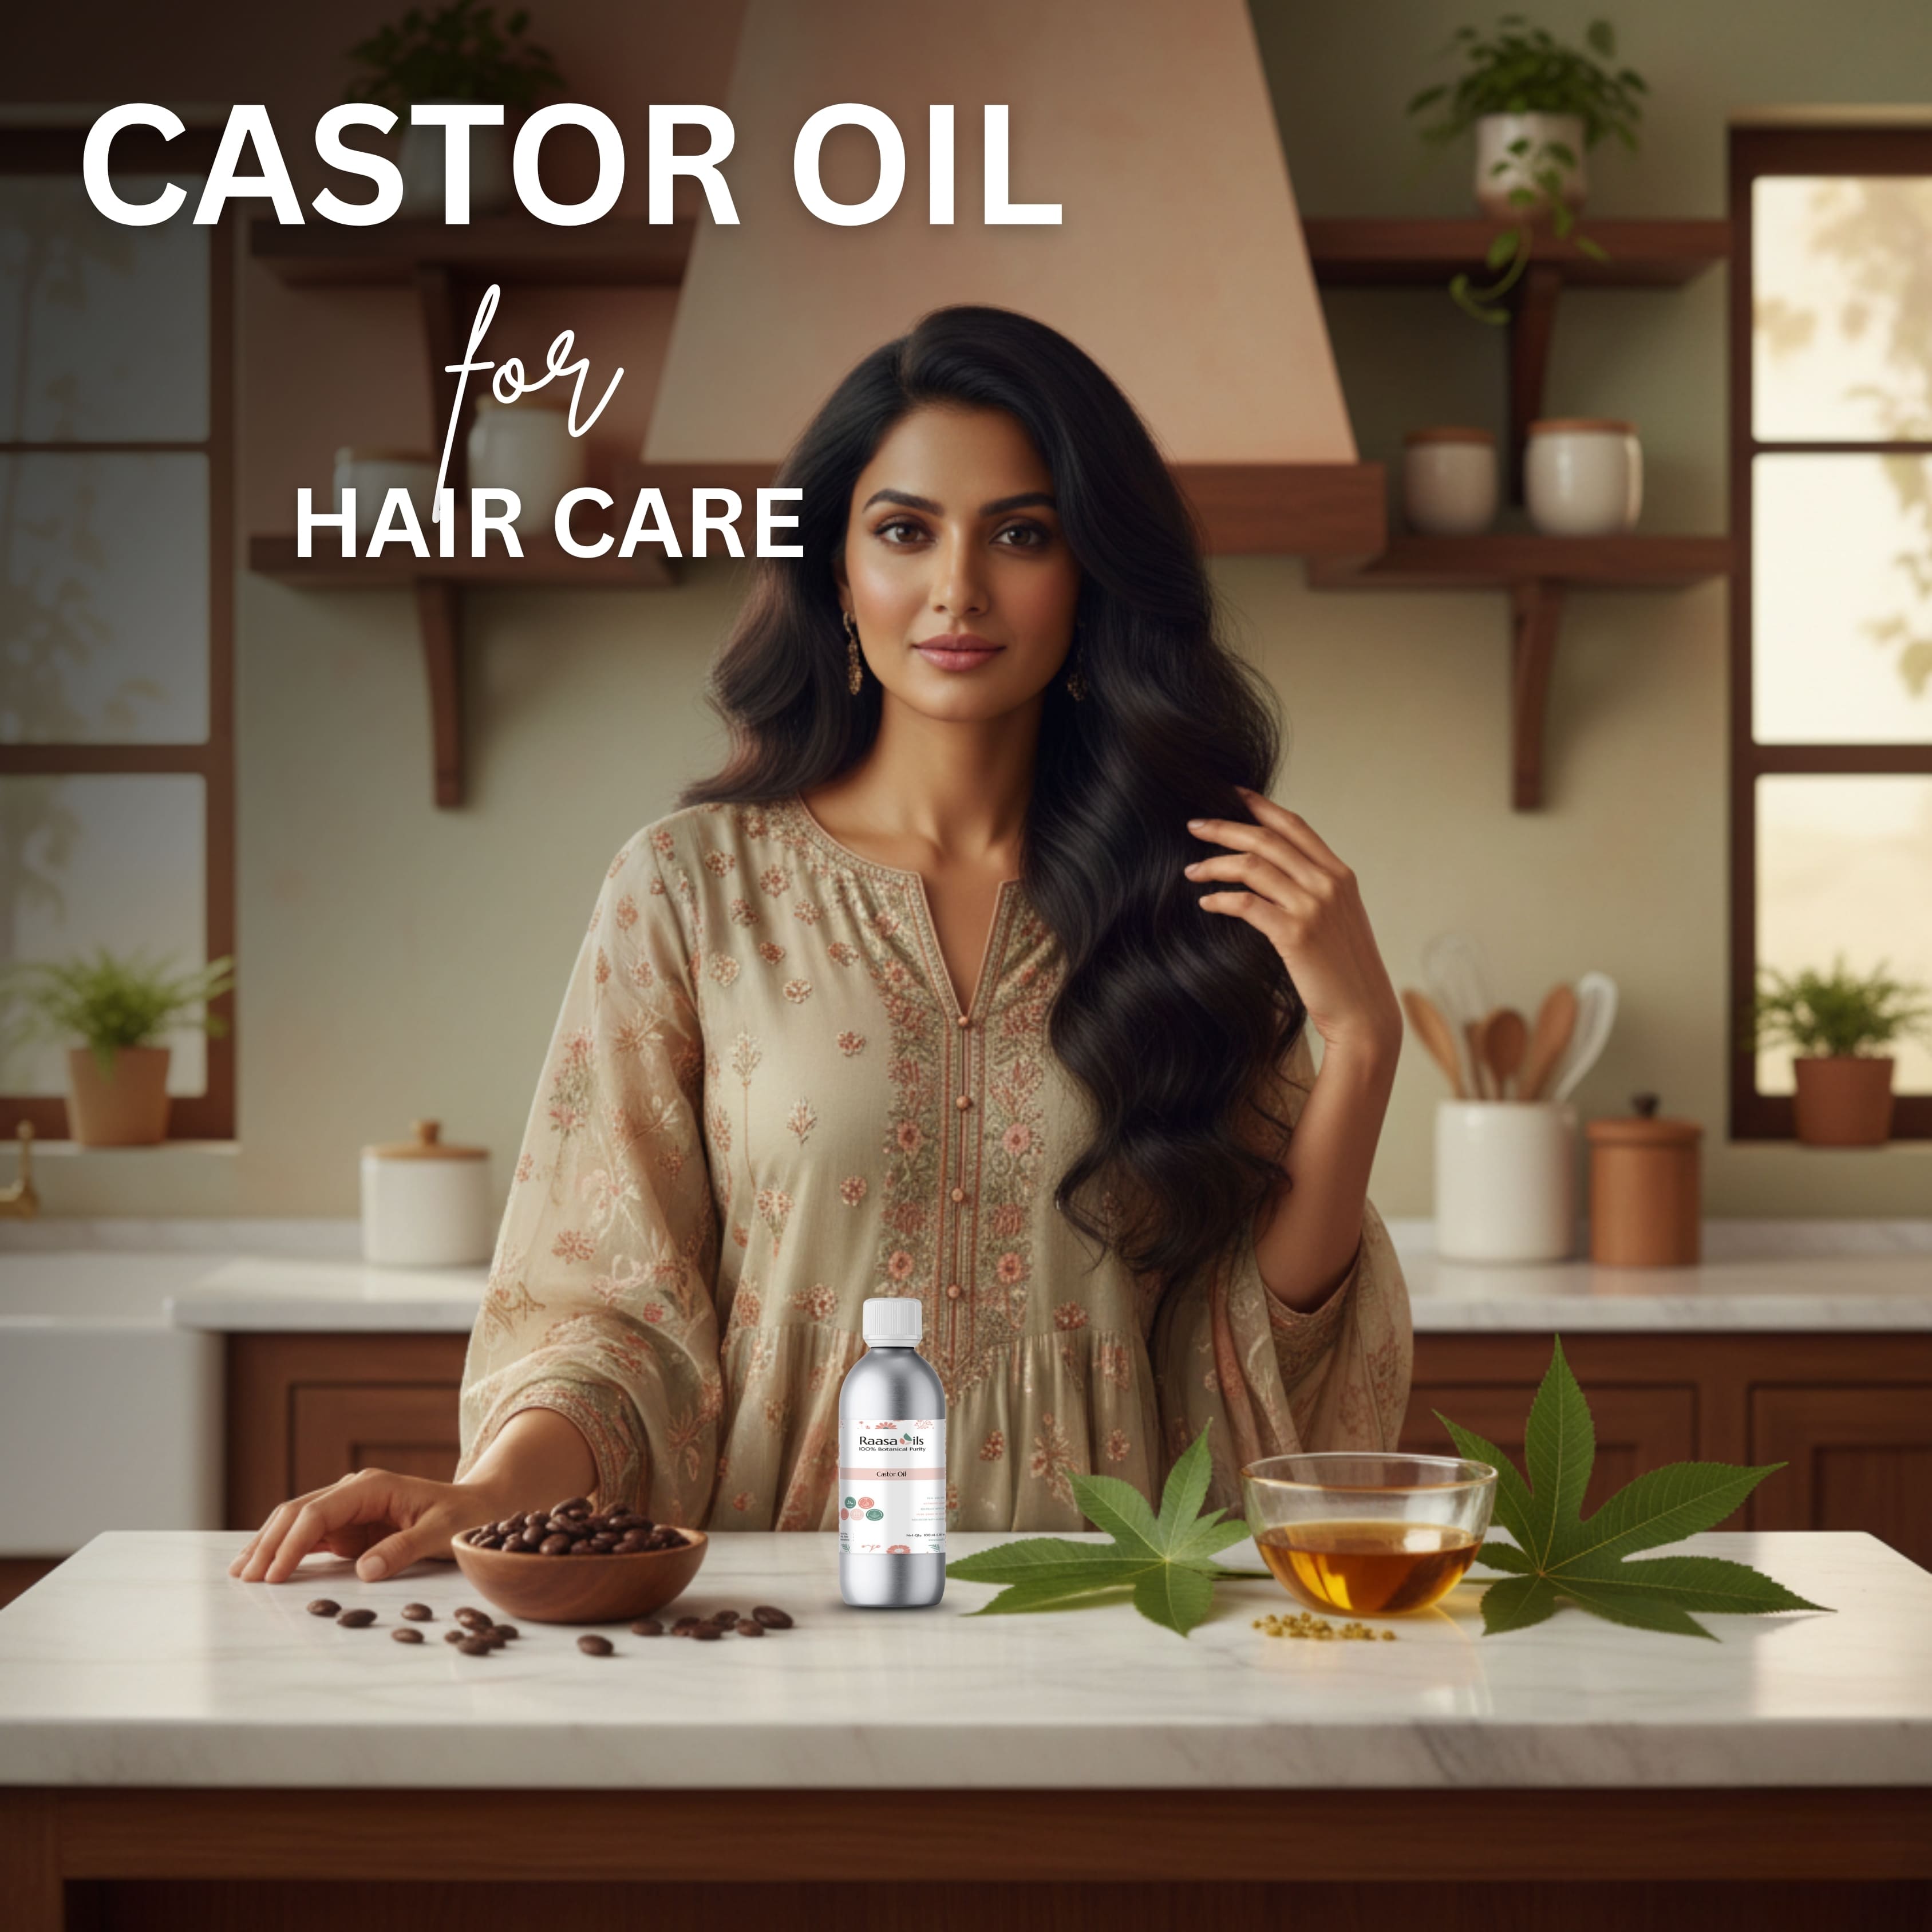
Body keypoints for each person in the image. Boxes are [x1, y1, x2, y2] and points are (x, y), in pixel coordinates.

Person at [232, 305, 1413, 1587]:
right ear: (835, 575)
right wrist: (486, 1491)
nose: (958, 586)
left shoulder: (1193, 896)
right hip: (778, 1610)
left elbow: (1245, 1346)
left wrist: (1360, 1043)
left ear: (1089, 573)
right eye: (904, 530)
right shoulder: (688, 889)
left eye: (1020, 533)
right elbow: (609, 1318)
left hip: (1111, 1603)